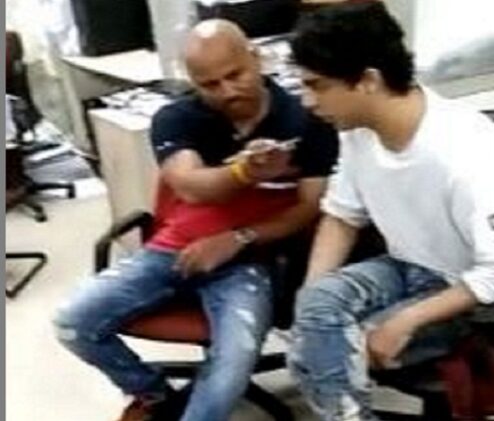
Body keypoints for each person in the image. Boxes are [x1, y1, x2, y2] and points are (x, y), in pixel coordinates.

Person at [54, 19, 338, 421]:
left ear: (256, 58)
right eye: (210, 84)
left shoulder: (307, 120)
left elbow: (310, 208)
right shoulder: (177, 117)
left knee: (230, 370)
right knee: (72, 322)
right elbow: (190, 186)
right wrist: (244, 172)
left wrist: (237, 238)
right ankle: (155, 397)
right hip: (173, 249)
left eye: (235, 75)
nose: (227, 91)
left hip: (250, 260)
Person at [286, 3, 494, 420]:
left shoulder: (463, 147)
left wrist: (405, 322)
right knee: (314, 327)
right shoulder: (356, 129)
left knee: (333, 350)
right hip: (406, 266)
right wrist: (311, 302)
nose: (307, 101)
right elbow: (342, 215)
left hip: (468, 289)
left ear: (368, 81)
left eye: (317, 85)